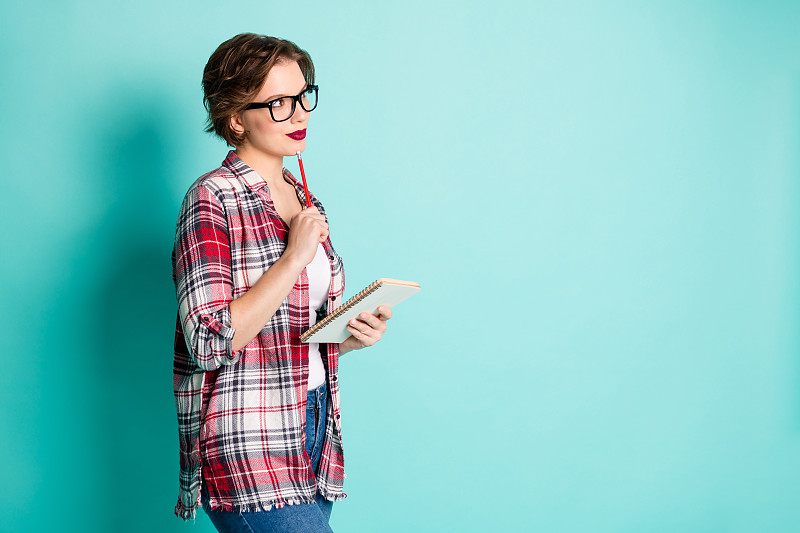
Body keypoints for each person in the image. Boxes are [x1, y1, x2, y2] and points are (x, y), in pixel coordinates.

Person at [172, 33, 392, 533]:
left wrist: (349, 338)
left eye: (302, 96)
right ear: (234, 117)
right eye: (277, 103)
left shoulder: (304, 198)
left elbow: (285, 337)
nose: (299, 115)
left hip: (314, 423)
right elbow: (208, 343)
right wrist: (293, 258)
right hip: (249, 435)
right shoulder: (211, 199)